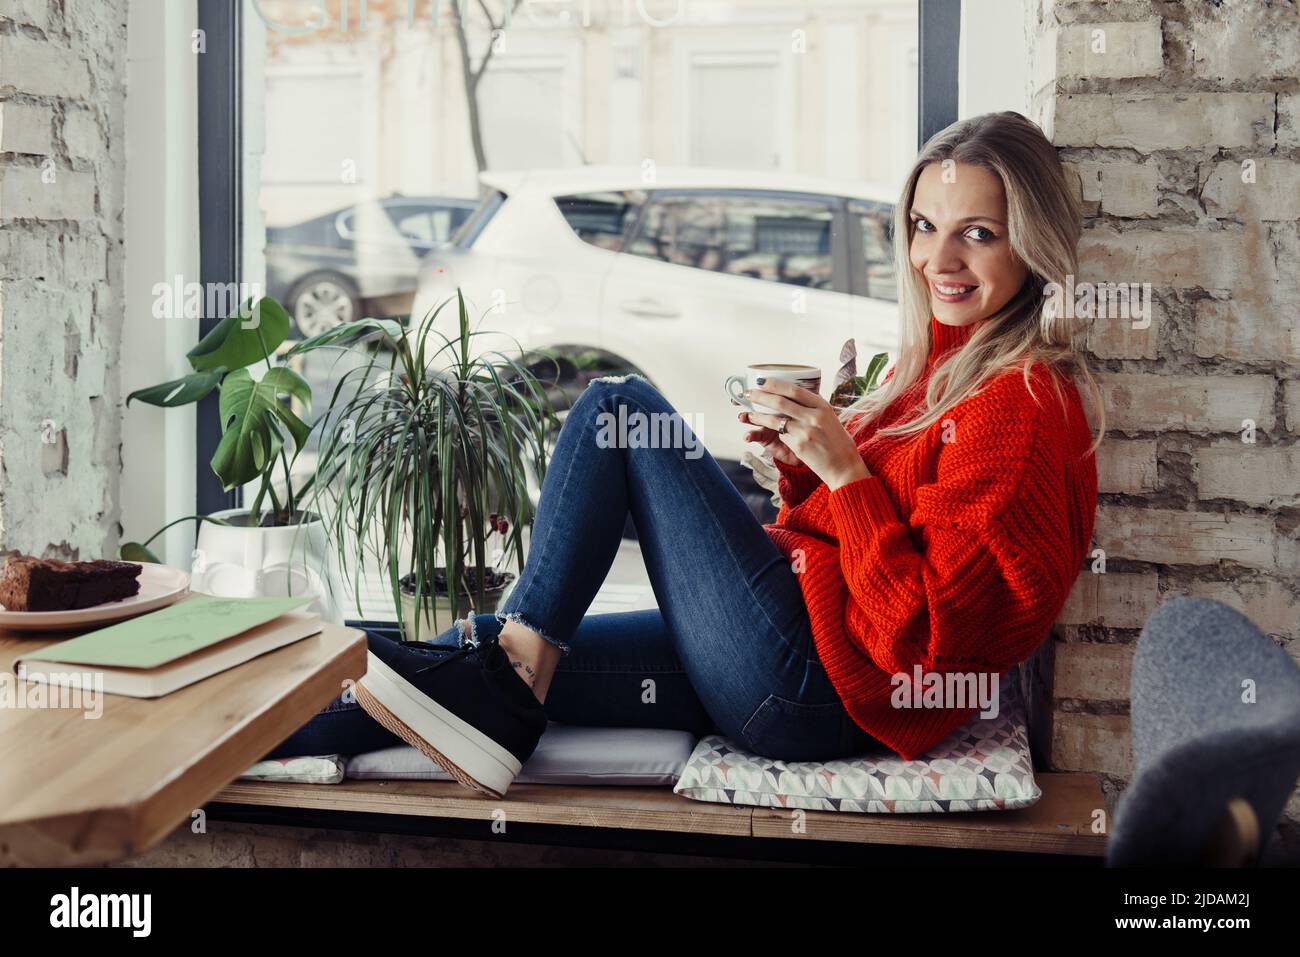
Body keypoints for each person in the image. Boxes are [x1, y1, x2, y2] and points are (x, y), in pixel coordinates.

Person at [267, 111, 1103, 799]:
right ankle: (255, 726)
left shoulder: (1018, 407)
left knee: (617, 409)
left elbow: (921, 647)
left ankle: (502, 679)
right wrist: (806, 470)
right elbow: (874, 542)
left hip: (819, 689)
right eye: (923, 227)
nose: (937, 259)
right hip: (802, 653)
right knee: (466, 658)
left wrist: (847, 474)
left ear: (1030, 244)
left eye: (977, 234)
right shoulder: (954, 367)